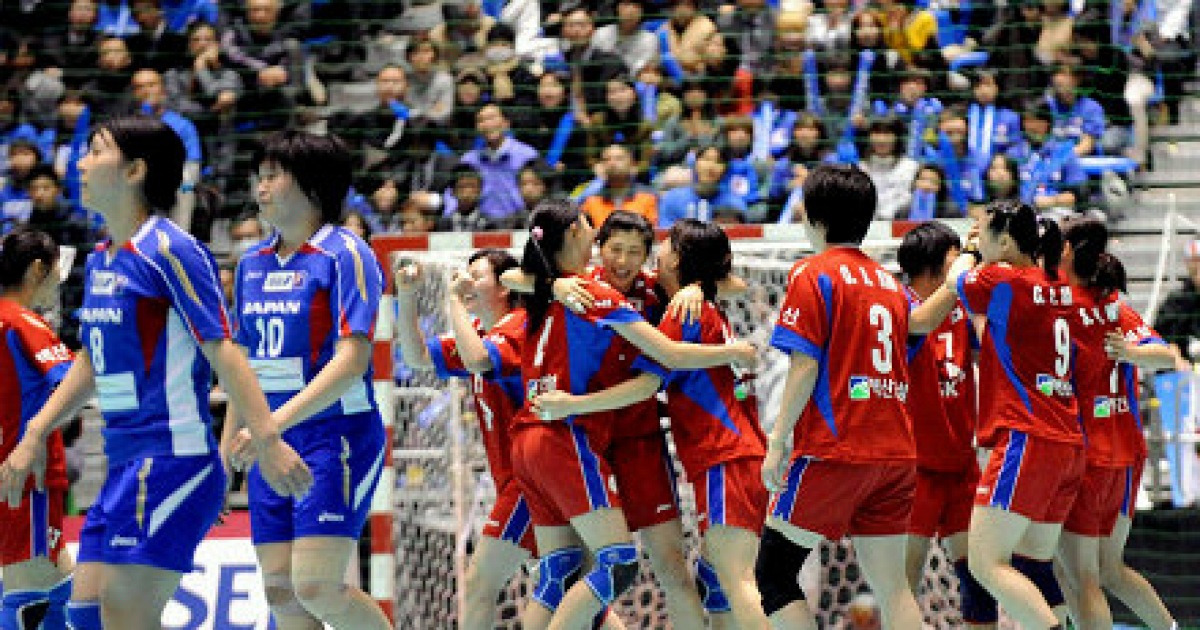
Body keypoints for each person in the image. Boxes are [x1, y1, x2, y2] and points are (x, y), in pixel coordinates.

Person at [0, 115, 311, 630]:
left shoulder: (170, 251)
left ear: (134, 171)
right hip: (125, 464)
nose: (79, 162)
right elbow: (92, 359)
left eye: (96, 152)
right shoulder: (101, 260)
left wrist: (268, 439)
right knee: (85, 611)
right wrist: (36, 432)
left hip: (172, 459)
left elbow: (226, 350)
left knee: (124, 616)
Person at [509, 198, 755, 629]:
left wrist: (697, 285)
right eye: (613, 249)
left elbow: (738, 286)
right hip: (581, 434)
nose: (622, 261)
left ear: (648, 256)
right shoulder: (582, 286)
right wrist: (552, 283)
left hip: (636, 438)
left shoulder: (652, 291)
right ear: (596, 246)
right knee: (586, 567)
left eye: (634, 252)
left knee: (668, 565)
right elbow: (514, 274)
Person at [758, 164, 970, 630]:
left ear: (812, 216)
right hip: (896, 454)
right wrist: (962, 274)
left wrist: (777, 440)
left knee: (772, 574)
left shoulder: (813, 274)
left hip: (837, 450)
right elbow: (923, 322)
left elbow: (805, 364)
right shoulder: (891, 284)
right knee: (894, 589)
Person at [222, 130, 390, 630]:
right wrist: (227, 449)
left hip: (336, 435)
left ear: (313, 186)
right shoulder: (251, 264)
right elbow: (241, 365)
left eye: (274, 175)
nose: (261, 186)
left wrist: (269, 426)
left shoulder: (346, 253)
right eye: (260, 175)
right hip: (268, 440)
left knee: (317, 586)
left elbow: (352, 360)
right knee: (281, 593)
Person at [953, 200, 1080, 630]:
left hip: (1026, 437)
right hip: (1065, 439)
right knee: (1034, 567)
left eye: (983, 231)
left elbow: (957, 281)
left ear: (1004, 240)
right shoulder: (1057, 282)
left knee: (986, 562)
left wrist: (970, 253)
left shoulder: (1001, 277)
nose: (977, 238)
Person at [393, 248, 532, 630]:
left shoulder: (519, 327)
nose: (466, 282)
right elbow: (418, 356)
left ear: (505, 285)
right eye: (465, 275)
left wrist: (452, 299)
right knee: (562, 587)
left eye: (477, 275)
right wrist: (407, 296)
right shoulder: (481, 334)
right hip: (516, 480)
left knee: (479, 583)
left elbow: (479, 361)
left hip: (531, 482)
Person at [1054, 219, 1179, 630]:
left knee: (1080, 576)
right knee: (1108, 571)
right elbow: (1167, 356)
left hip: (1088, 454)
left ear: (1068, 251)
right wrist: (1131, 352)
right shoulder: (1112, 303)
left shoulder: (1060, 302)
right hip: (1125, 453)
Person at [896, 222, 996, 629]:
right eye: (957, 256)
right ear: (936, 263)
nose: (965, 263)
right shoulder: (899, 304)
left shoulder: (958, 305)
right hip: (914, 468)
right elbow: (918, 322)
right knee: (902, 582)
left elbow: (987, 348)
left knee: (979, 580)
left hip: (960, 464)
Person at [0, 229, 75, 630]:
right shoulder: (24, 322)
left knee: (65, 591)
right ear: (36, 271)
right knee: (29, 598)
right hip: (27, 478)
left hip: (11, 474)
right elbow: (72, 382)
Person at [657, 144, 746, 228]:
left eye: (718, 161)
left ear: (726, 169)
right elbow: (665, 237)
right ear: (695, 163)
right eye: (706, 159)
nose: (710, 166)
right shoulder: (672, 198)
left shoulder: (735, 204)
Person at [1155, 240, 1200, 364]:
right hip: (1183, 374)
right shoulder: (1176, 301)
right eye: (1194, 261)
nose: (1198, 266)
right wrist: (1177, 360)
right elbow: (1165, 338)